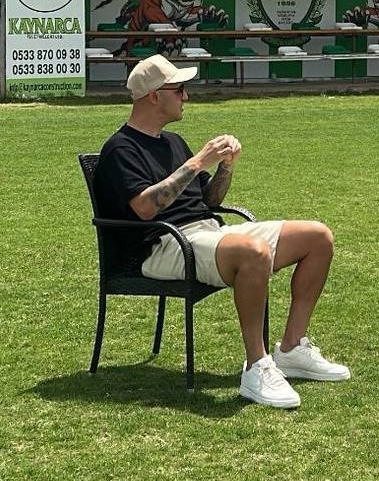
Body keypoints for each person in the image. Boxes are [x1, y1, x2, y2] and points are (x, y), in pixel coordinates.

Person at [94, 55, 349, 408]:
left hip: (206, 231)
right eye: (179, 90)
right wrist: (198, 161)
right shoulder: (120, 149)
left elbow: (210, 200)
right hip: (163, 245)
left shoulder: (173, 142)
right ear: (154, 96)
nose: (186, 96)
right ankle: (257, 366)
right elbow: (145, 208)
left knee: (318, 237)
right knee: (253, 252)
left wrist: (226, 167)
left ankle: (291, 348)